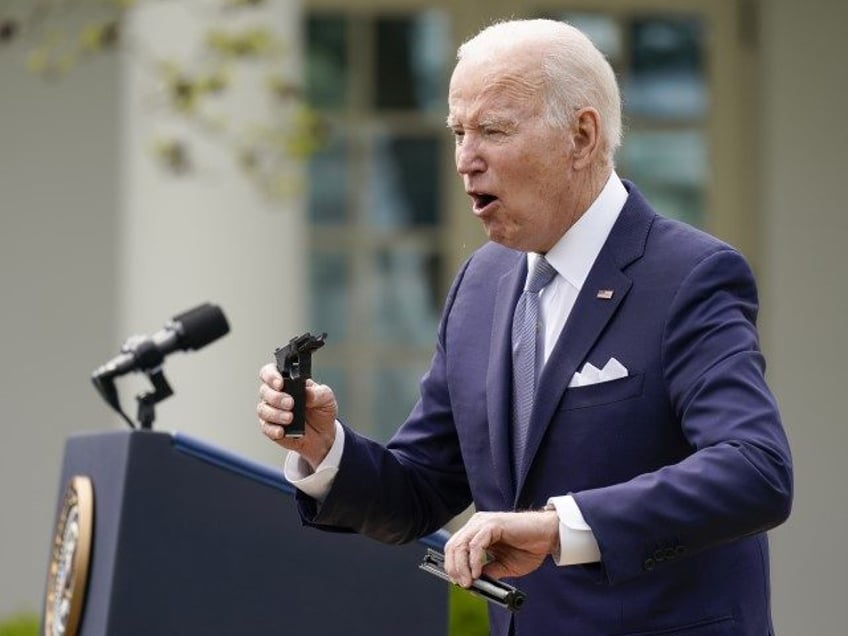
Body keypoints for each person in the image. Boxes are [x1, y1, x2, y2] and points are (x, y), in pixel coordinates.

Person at [257, 18, 792, 636]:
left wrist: (559, 526)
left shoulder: (691, 275)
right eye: (458, 132)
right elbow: (421, 489)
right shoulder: (479, 286)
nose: (464, 160)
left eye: (493, 130)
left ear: (582, 136)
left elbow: (755, 469)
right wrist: (325, 449)